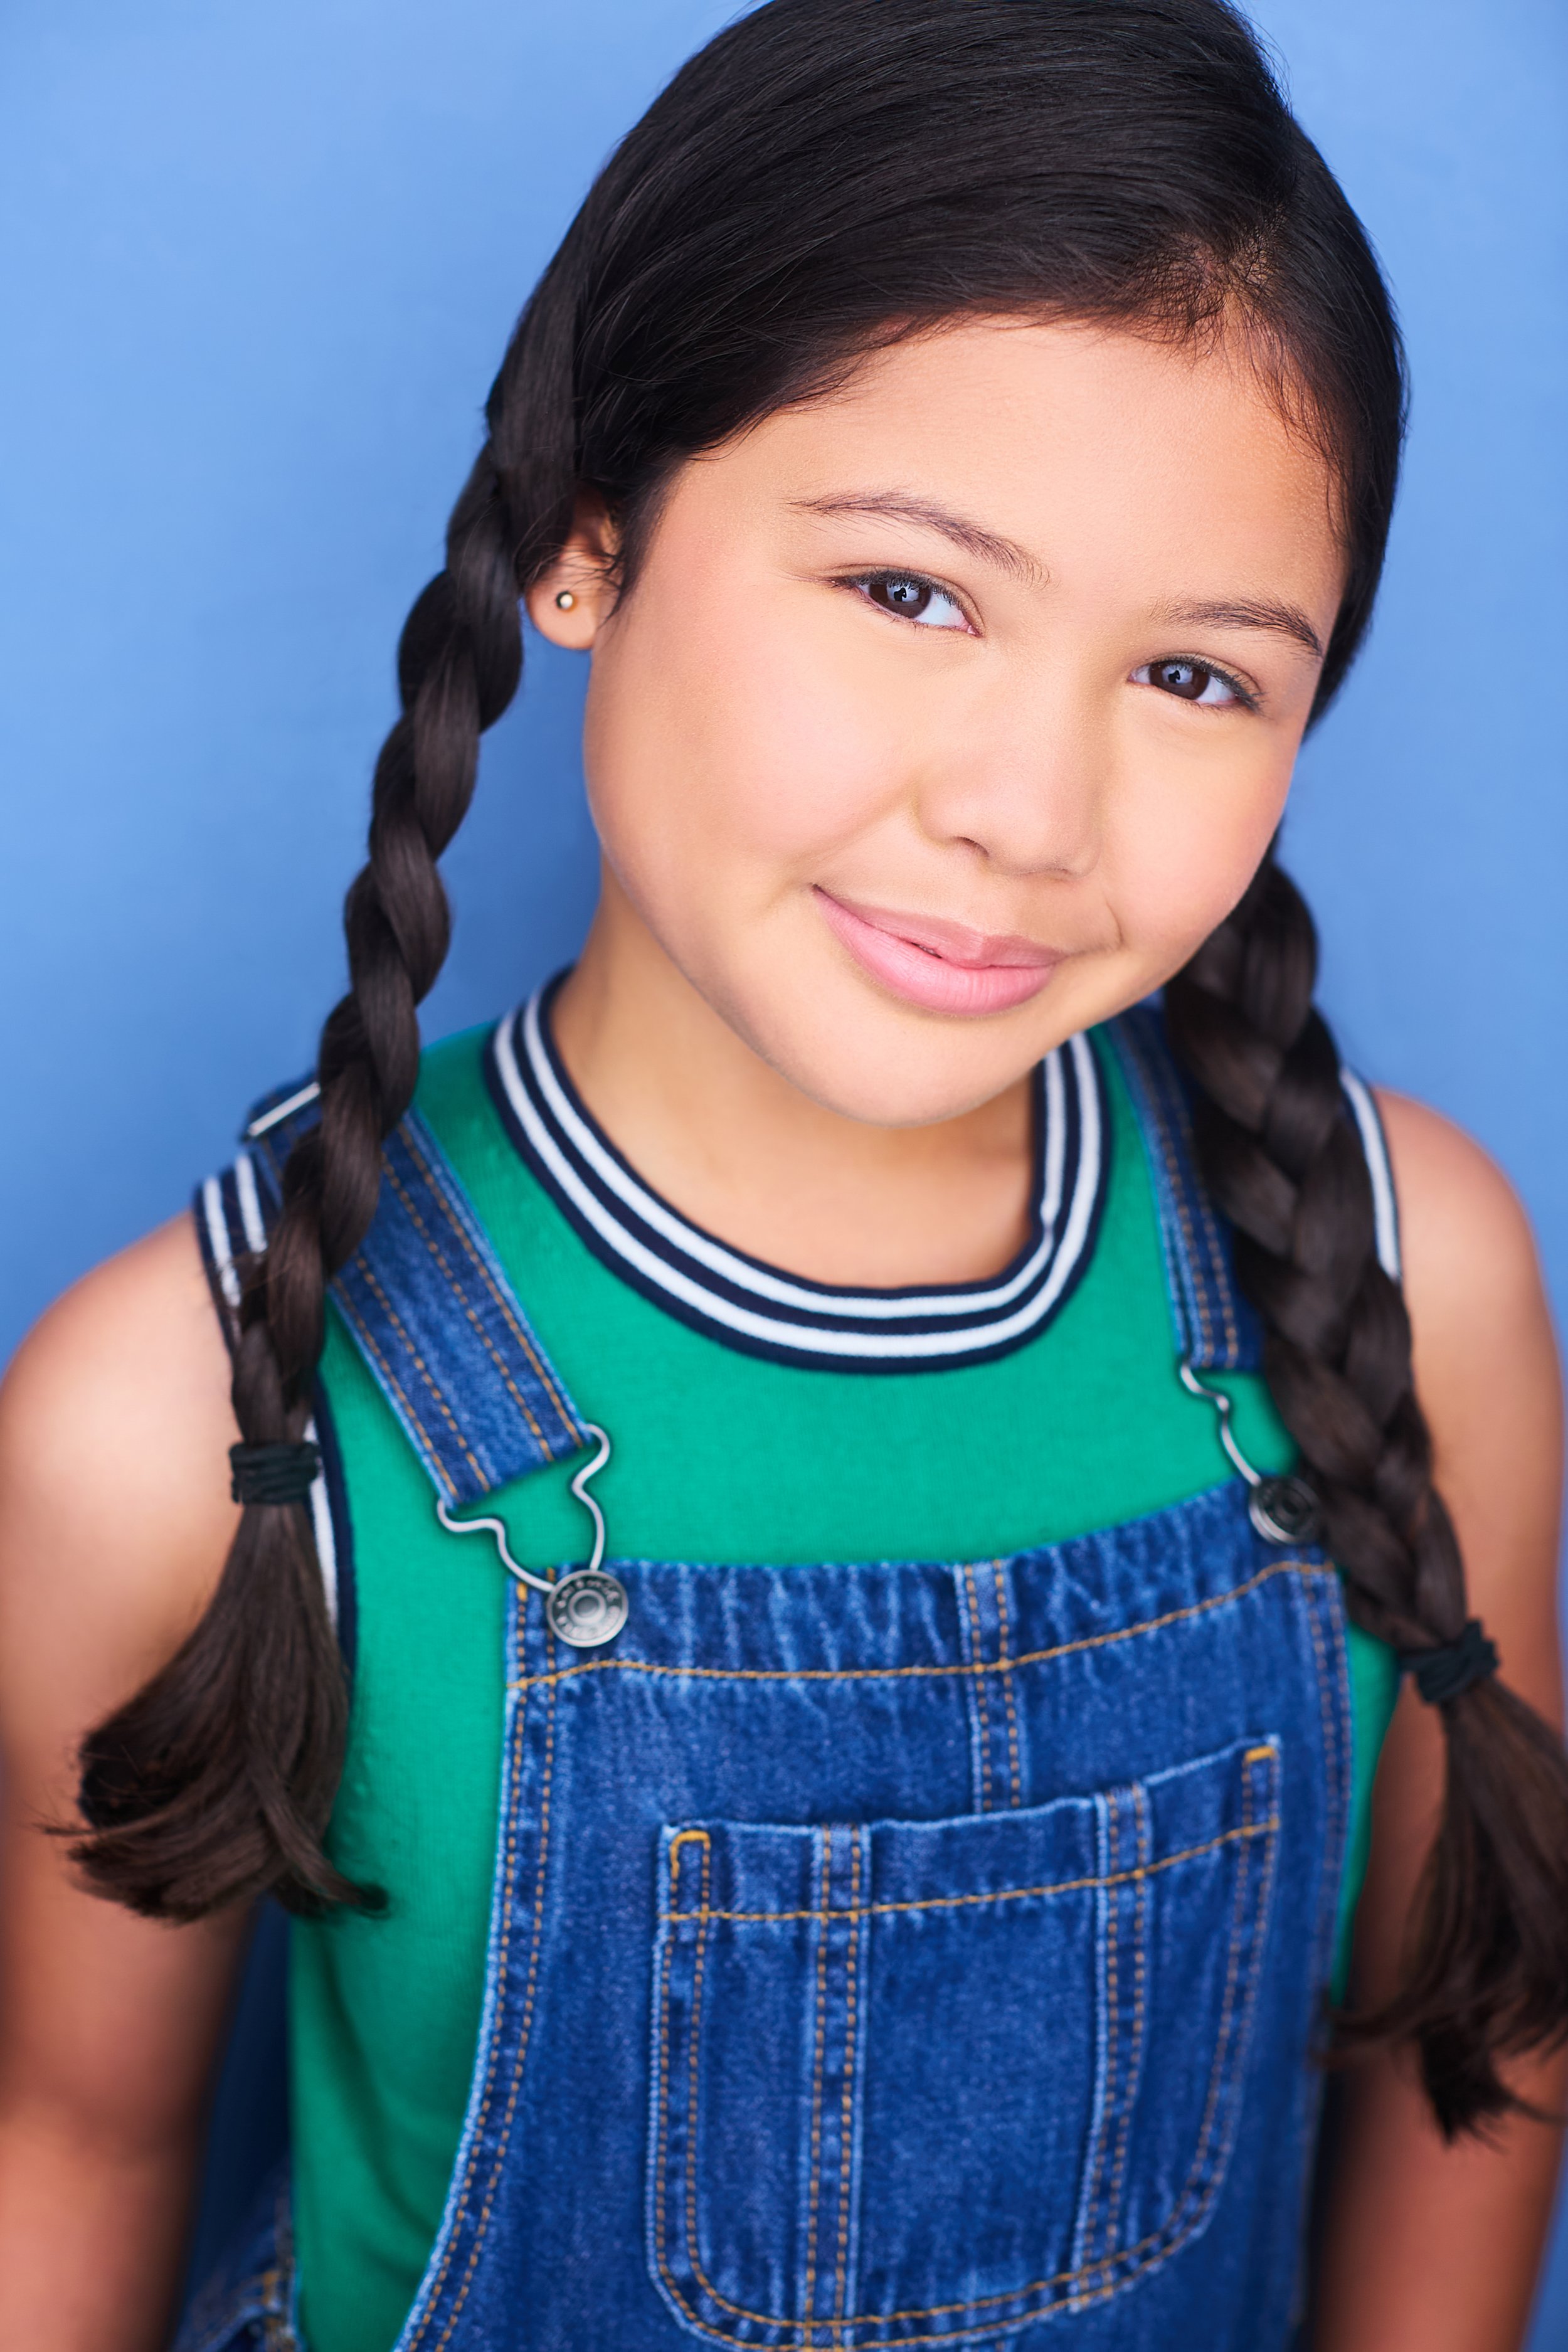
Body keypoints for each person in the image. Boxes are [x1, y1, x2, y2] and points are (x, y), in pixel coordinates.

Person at [0, 1, 1564, 2345]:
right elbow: (80, 2140)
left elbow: (1482, 2040)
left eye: (1197, 678)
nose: (1025, 812)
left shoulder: (1399, 1274)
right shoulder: (178, 1425)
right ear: (586, 541)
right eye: (909, 593)